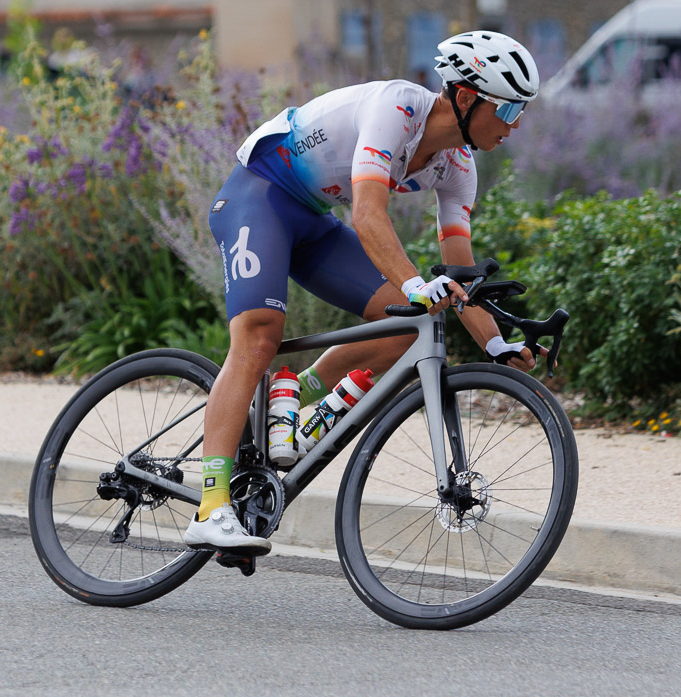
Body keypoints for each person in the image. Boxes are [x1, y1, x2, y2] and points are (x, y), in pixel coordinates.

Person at [183, 31, 547, 555]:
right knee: (260, 339)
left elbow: (461, 273)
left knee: (403, 326)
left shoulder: (459, 167)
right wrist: (418, 284)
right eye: (509, 108)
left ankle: (290, 403)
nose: (516, 124)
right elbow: (367, 213)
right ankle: (212, 507)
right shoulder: (396, 108)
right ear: (466, 97)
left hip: (311, 223)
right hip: (258, 196)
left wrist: (497, 346)